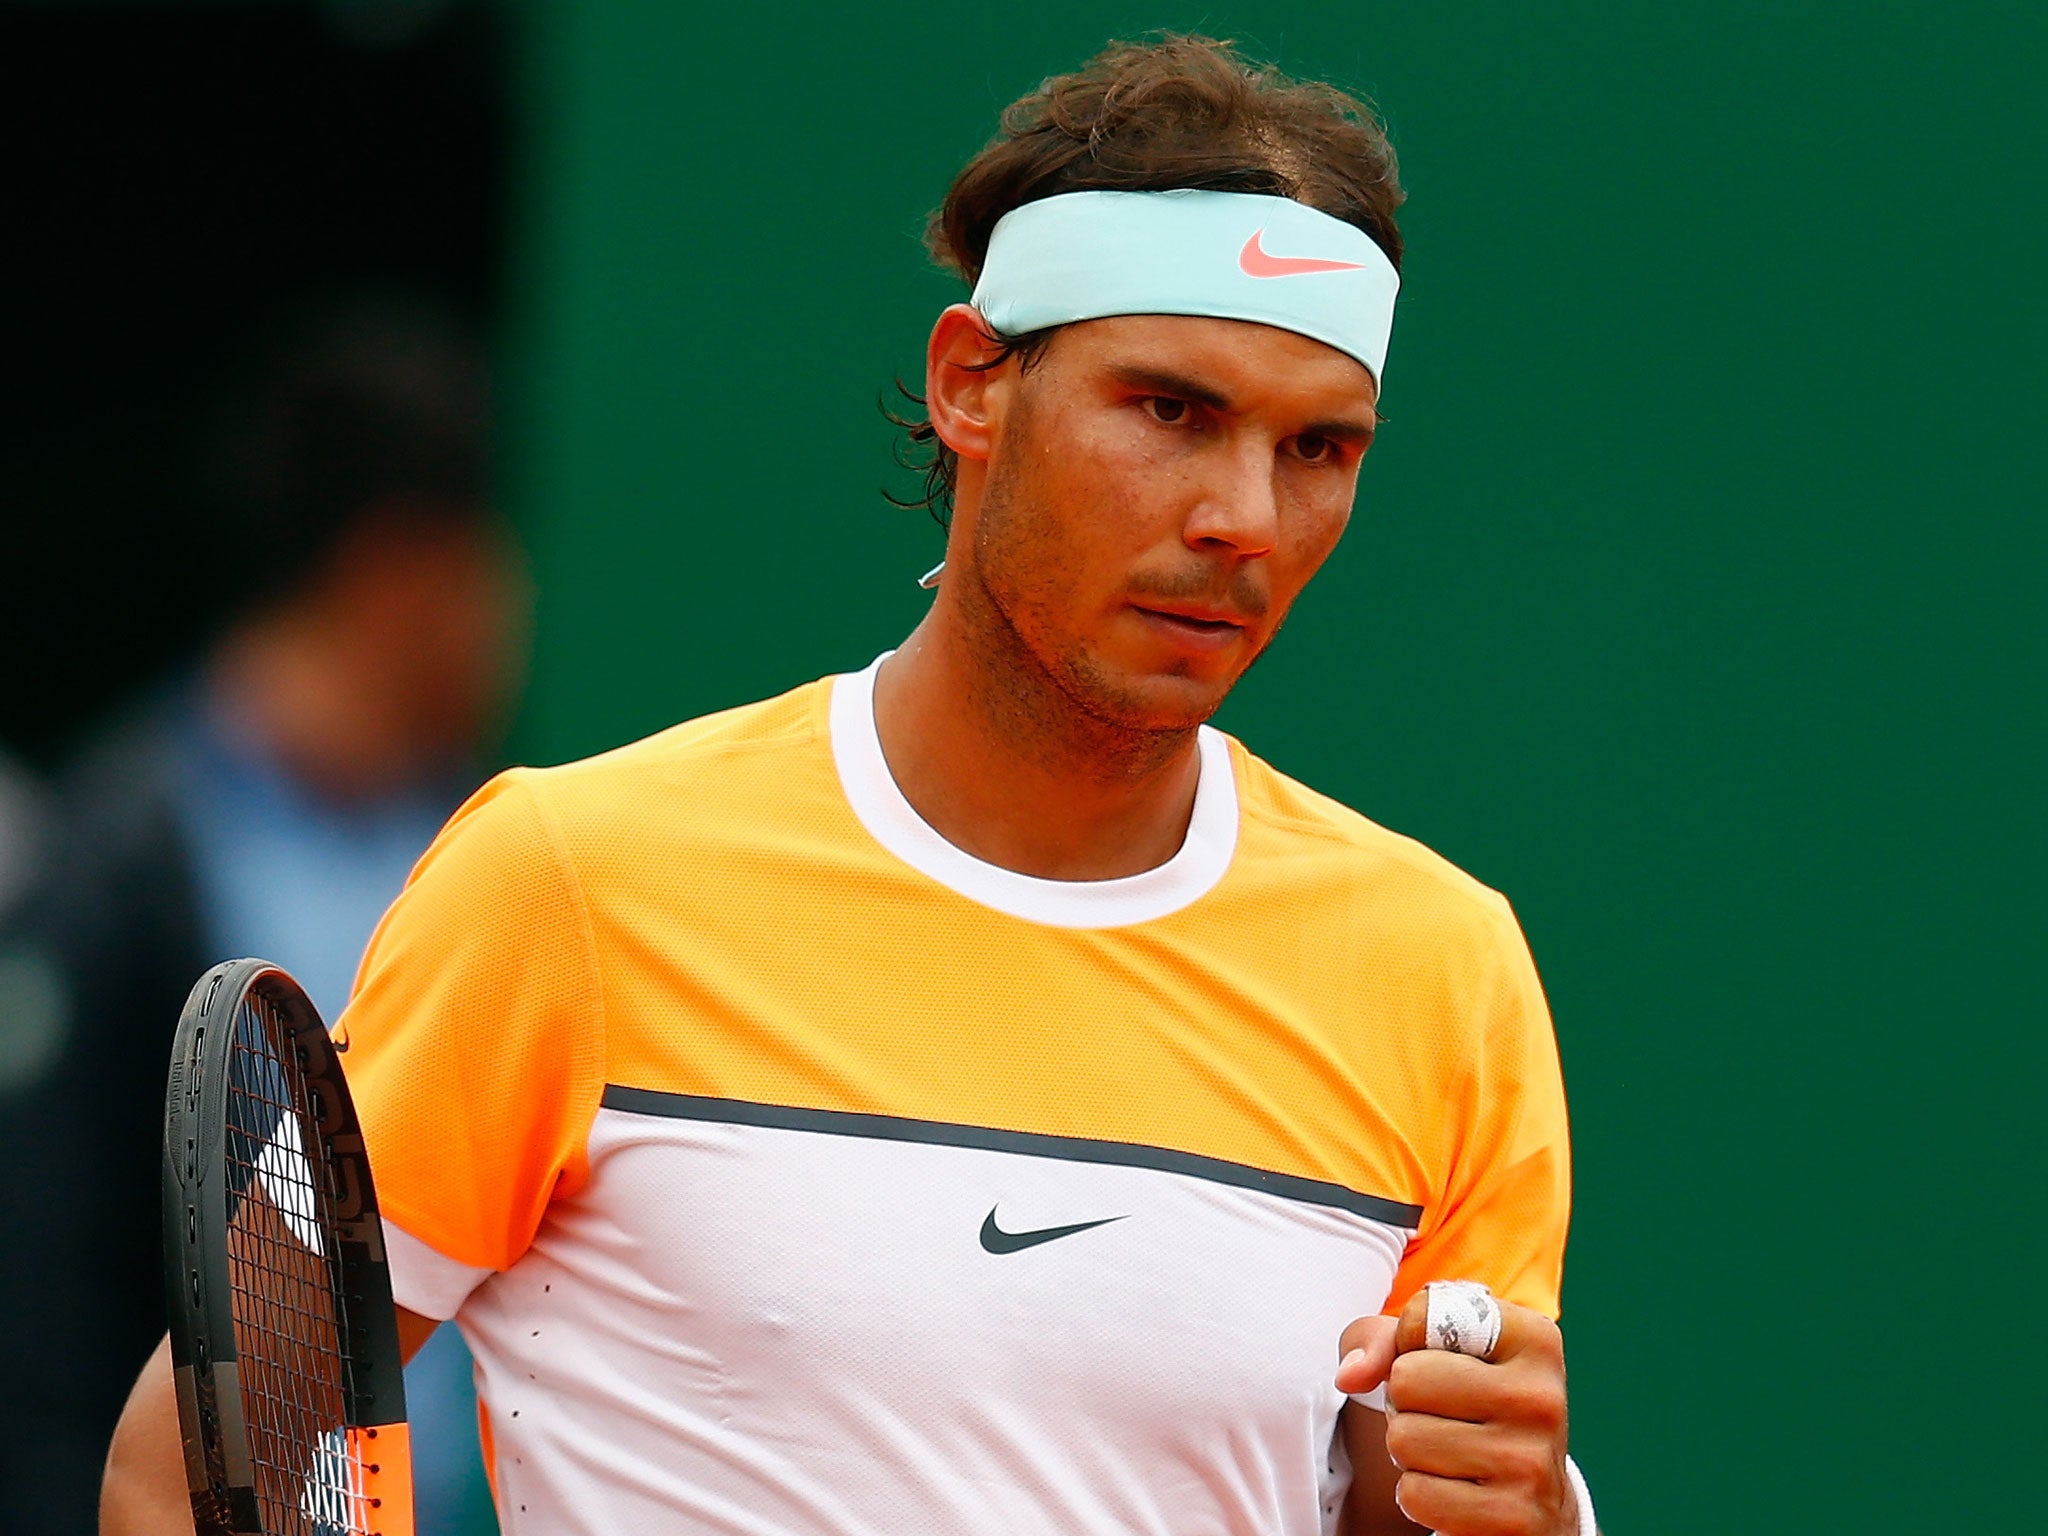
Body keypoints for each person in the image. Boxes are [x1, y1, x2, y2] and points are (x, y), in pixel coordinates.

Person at [105, 36, 1598, 1536]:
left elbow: (1406, 1507)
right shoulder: (567, 887)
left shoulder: (1443, 975)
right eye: (1172, 411)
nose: (1245, 519)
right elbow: (191, 1474)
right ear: (971, 387)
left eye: (1319, 447)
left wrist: (1501, 1509)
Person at [0, 296, 519, 1536]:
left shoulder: (490, 849)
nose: (513, 604)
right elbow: (44, 1298)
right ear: (399, 570)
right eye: (493, 556)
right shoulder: (108, 865)